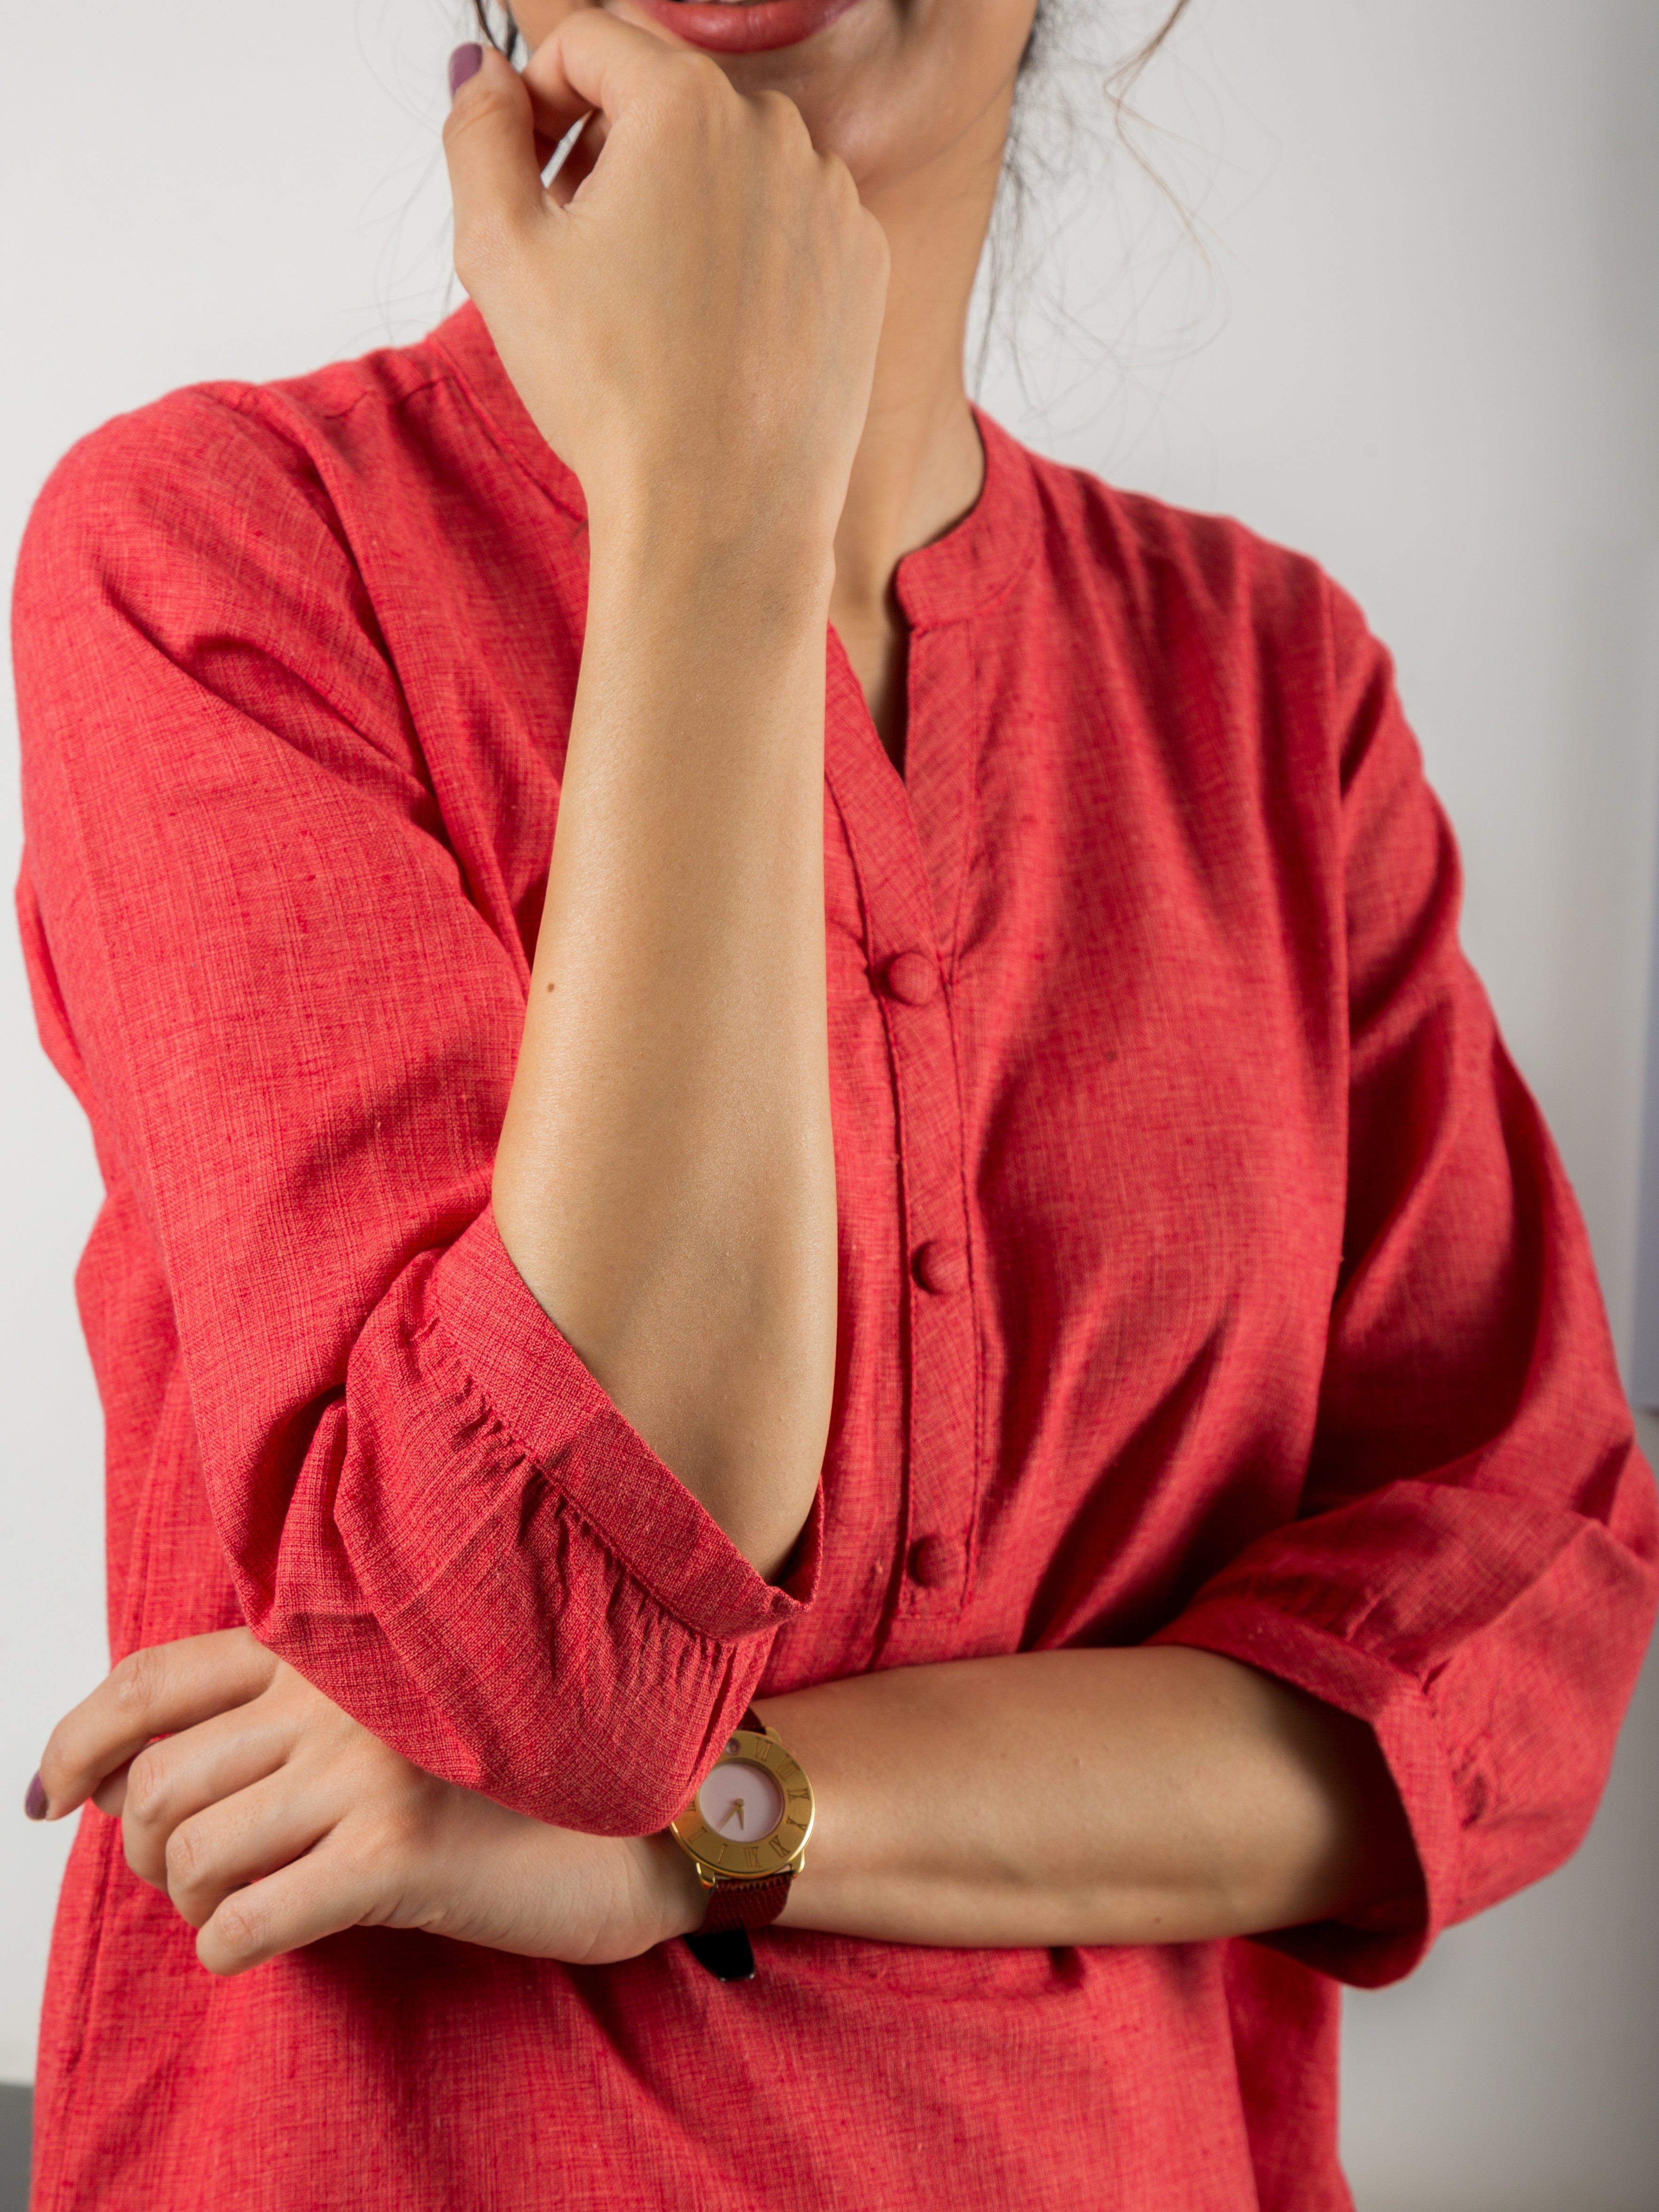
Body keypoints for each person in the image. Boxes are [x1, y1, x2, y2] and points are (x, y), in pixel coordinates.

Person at [13, 0, 1657, 2204]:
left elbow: (1512, 1655)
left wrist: (716, 1828)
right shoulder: (221, 554)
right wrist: (716, 501)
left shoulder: (1279, 697)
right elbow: (544, 1651)